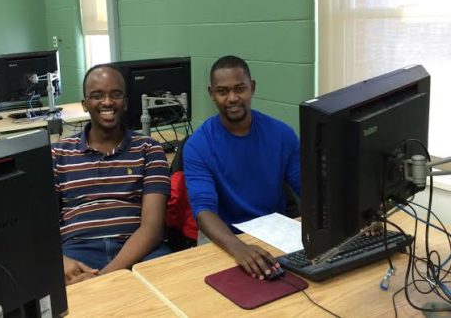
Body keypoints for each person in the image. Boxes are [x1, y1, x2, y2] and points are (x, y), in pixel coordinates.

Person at [52, 63, 172, 285]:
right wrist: (59, 260)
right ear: (85, 104)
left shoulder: (149, 150)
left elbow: (153, 228)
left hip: (140, 249)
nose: (107, 102)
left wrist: (105, 278)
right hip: (77, 252)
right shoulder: (58, 153)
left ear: (125, 102)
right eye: (97, 96)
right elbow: (40, 225)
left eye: (115, 95)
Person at [184, 55, 300, 280]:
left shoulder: (282, 135)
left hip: (274, 233)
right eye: (222, 91)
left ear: (252, 87)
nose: (232, 98)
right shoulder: (198, 145)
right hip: (223, 236)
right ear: (211, 94)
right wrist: (238, 247)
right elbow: (204, 212)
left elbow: (310, 189)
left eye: (240, 89)